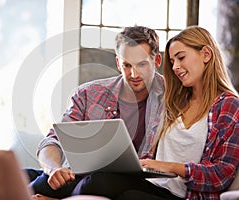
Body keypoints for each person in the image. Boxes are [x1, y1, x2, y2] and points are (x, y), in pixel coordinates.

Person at [71, 26, 239, 200]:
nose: (175, 67)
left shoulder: (228, 105)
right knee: (98, 180)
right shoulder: (175, 100)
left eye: (181, 58)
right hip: (153, 185)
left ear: (206, 54)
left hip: (185, 196)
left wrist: (169, 167)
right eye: (172, 61)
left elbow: (222, 174)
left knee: (127, 196)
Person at [25, 25, 165, 199]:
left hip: (129, 182)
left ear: (157, 61)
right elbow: (53, 140)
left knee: (99, 181)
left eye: (142, 64)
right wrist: (54, 169)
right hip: (78, 174)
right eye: (127, 65)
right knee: (36, 179)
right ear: (118, 64)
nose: (134, 74)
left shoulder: (172, 97)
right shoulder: (88, 94)